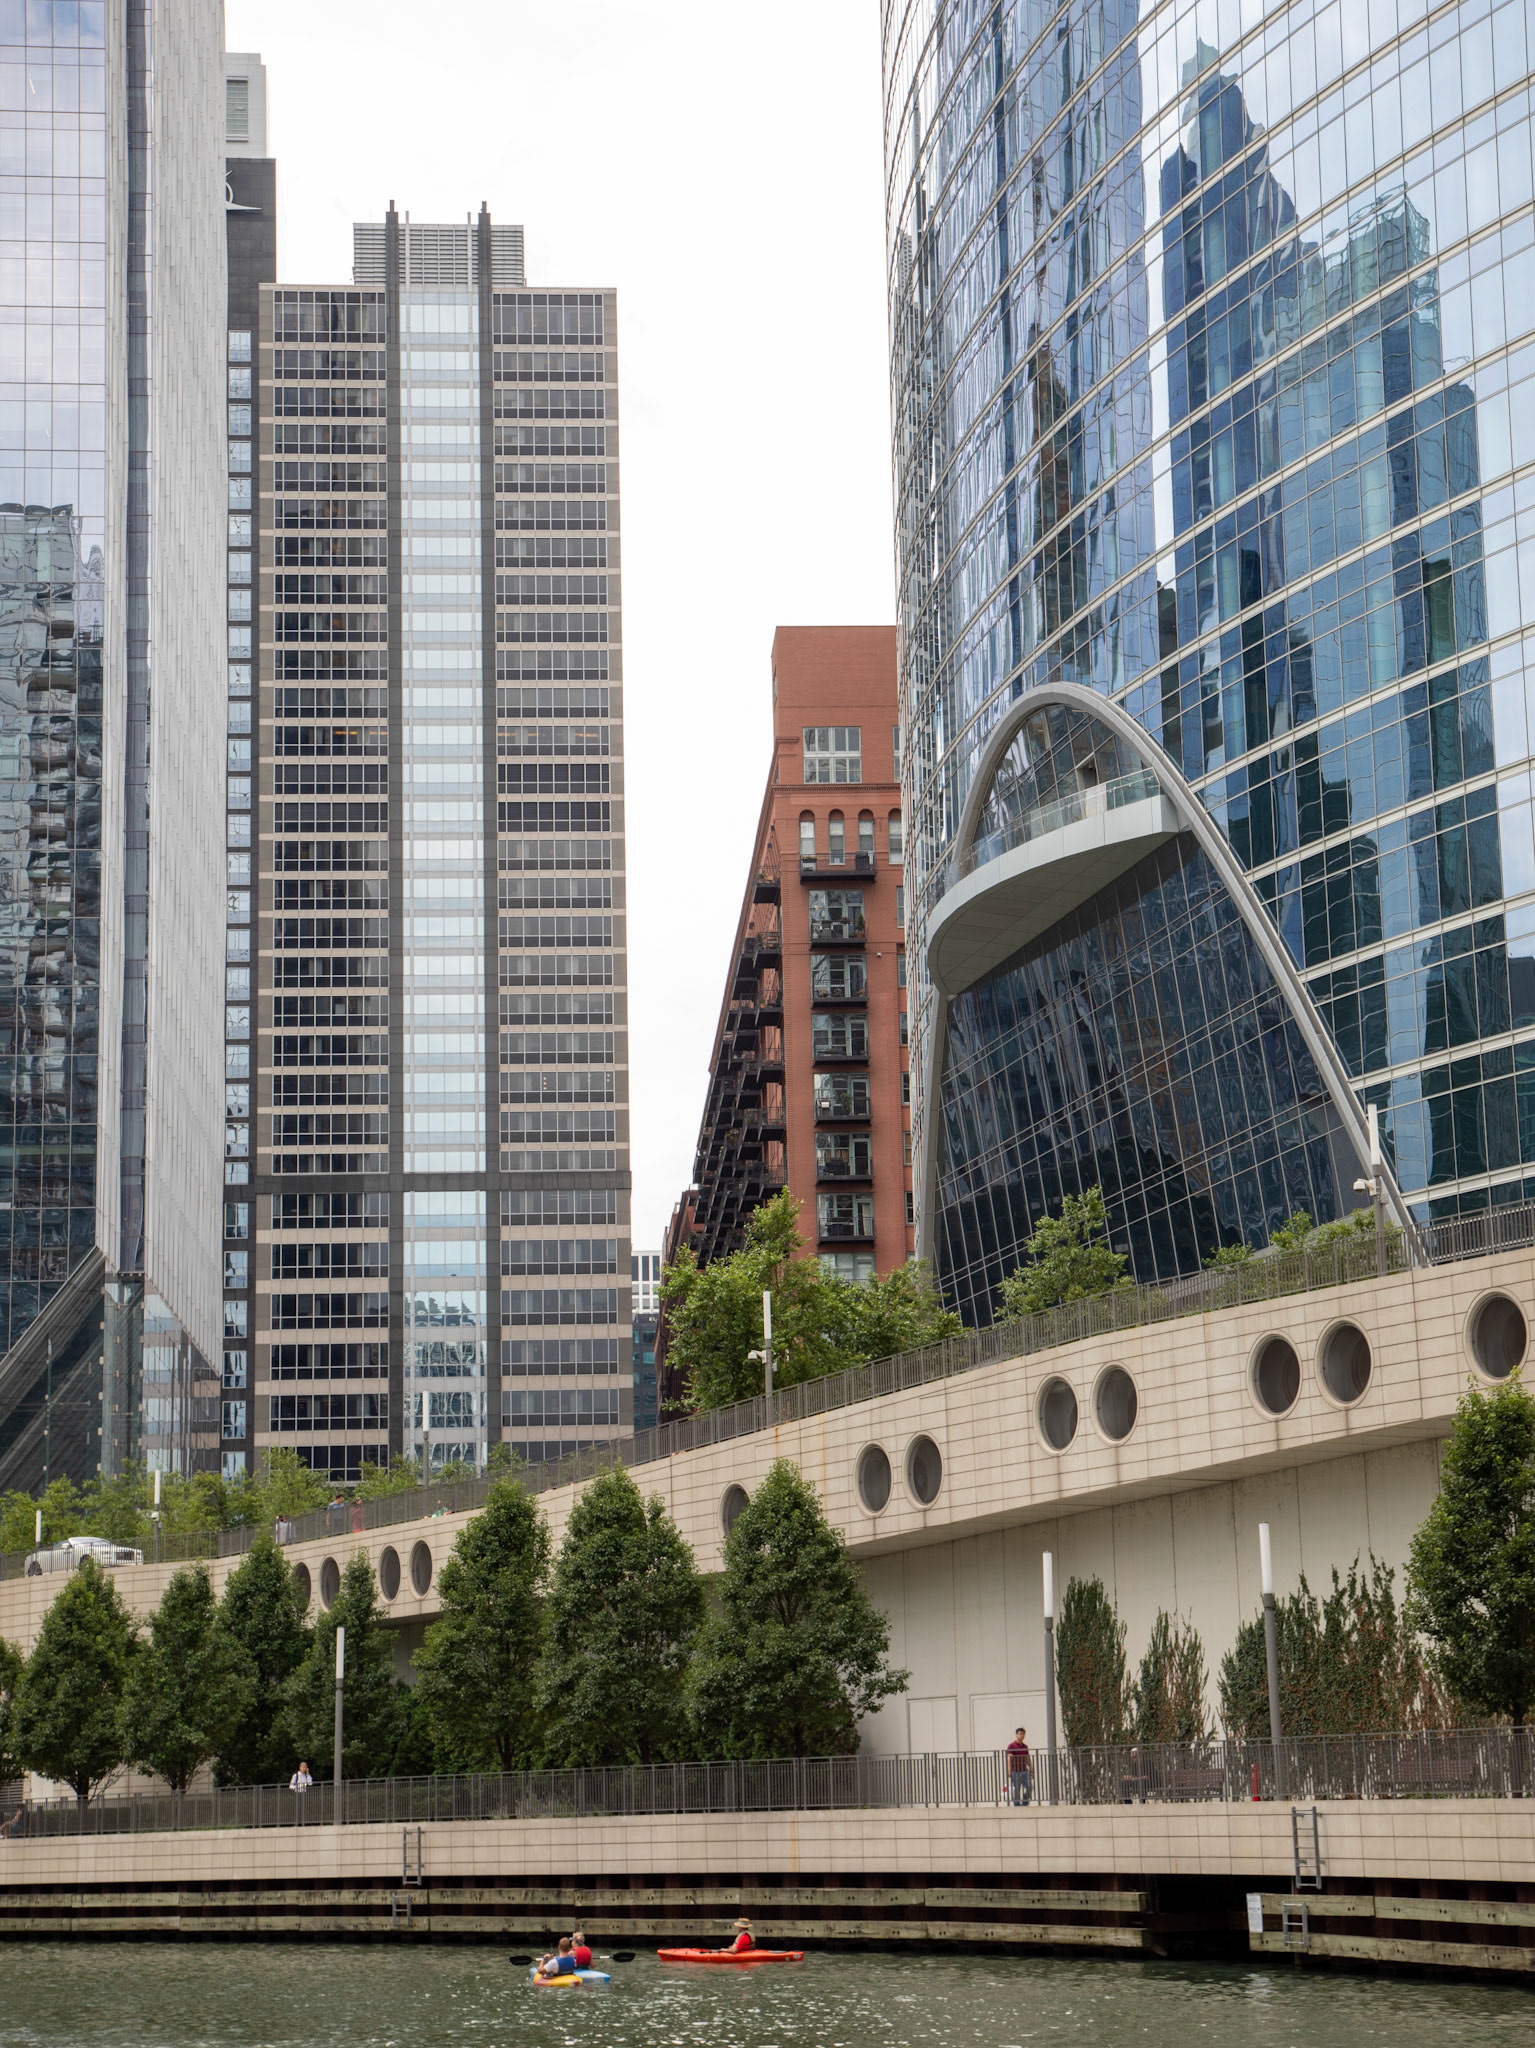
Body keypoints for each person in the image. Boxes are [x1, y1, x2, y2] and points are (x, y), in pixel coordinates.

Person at [1006, 1727, 1032, 1806]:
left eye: (1023, 1734)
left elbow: (1027, 1758)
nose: (1022, 1735)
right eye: (1020, 1734)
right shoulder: (1011, 1746)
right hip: (1015, 1771)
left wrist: (1031, 1768)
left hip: (1024, 1770)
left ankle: (1025, 1802)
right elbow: (1009, 1758)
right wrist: (1009, 1770)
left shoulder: (1025, 1746)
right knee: (1016, 1789)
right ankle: (1017, 1804)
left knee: (1030, 1787)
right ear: (1016, 1734)